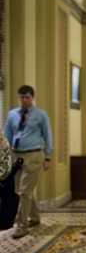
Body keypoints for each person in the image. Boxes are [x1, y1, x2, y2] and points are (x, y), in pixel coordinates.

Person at [4, 85, 53, 239]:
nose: (24, 100)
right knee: (22, 190)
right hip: (16, 156)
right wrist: (7, 157)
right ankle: (35, 218)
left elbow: (48, 136)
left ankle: (21, 226)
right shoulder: (12, 115)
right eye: (22, 97)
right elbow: (7, 136)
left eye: (27, 97)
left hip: (34, 155)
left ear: (32, 97)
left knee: (24, 191)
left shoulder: (40, 115)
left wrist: (48, 157)